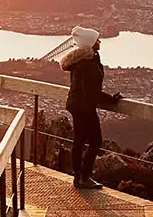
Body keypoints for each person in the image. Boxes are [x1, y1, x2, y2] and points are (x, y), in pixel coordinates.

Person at [47, 26, 119, 188]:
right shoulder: (89, 65)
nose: (100, 42)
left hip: (75, 104)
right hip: (84, 107)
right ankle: (84, 176)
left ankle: (78, 176)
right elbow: (92, 92)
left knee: (79, 141)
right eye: (97, 40)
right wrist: (111, 100)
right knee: (95, 141)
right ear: (92, 44)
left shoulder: (81, 61)